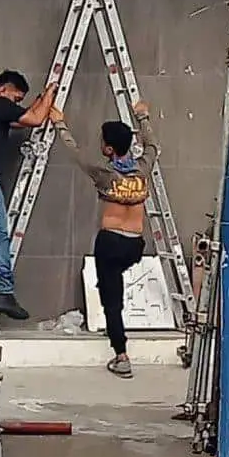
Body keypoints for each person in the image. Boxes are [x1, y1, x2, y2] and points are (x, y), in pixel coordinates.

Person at [49, 100, 158, 378]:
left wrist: (59, 122)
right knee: (113, 281)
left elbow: (75, 152)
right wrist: (142, 116)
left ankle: (121, 356)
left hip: (110, 243)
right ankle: (108, 282)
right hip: (135, 244)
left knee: (112, 301)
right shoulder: (143, 169)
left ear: (109, 149)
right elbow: (152, 146)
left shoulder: (104, 172)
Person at [0, 70, 58, 320]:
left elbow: (21, 118)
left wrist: (40, 98)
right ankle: (5, 292)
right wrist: (52, 92)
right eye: (15, 98)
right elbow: (34, 120)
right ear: (3, 90)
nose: (15, 104)